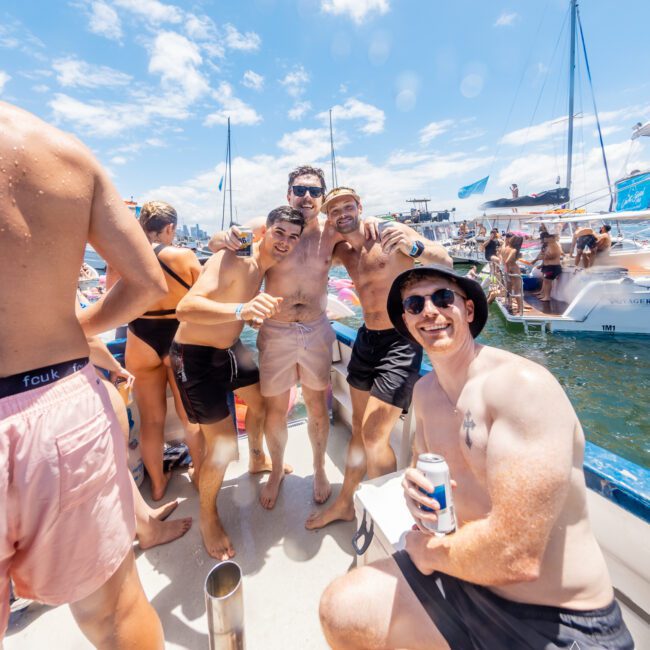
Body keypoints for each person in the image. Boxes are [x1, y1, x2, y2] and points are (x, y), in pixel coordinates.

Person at [319, 264, 633, 650]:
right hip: (465, 578)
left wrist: (424, 550)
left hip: (559, 618)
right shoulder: (424, 392)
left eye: (442, 298)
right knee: (343, 609)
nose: (429, 311)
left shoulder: (520, 387)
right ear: (406, 320)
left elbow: (515, 555)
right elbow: (425, 475)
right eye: (415, 304)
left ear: (467, 310)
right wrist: (414, 495)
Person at [0, 102, 166, 646]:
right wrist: (75, 325)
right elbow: (147, 284)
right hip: (61, 399)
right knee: (115, 613)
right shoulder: (66, 152)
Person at [208, 166, 378, 510]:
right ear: (288, 194)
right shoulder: (270, 225)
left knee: (317, 406)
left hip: (316, 329)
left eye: (315, 192)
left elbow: (360, 230)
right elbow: (215, 241)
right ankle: (275, 471)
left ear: (322, 198)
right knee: (275, 409)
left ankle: (317, 469)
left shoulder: (331, 231)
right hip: (277, 330)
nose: (307, 197)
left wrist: (372, 221)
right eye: (300, 190)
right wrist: (224, 237)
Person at [306, 187, 451, 530]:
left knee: (373, 435)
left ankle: (385, 520)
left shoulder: (388, 232)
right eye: (334, 209)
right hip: (366, 339)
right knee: (357, 429)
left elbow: (443, 258)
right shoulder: (343, 249)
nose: (342, 213)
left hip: (400, 341)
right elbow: (316, 265)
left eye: (348, 206)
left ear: (360, 206)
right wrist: (326, 228)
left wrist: (414, 246)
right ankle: (345, 502)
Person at [170, 206, 305, 560]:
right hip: (194, 357)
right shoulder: (232, 258)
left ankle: (258, 459)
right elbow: (185, 308)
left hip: (230, 349)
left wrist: (250, 315)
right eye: (280, 233)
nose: (286, 242)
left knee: (261, 403)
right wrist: (240, 311)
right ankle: (208, 516)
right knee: (224, 445)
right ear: (264, 232)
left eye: (293, 237)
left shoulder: (264, 266)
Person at [120, 201, 204, 501]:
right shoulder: (184, 255)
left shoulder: (125, 257)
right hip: (178, 336)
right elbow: (204, 300)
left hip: (140, 338)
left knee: (151, 421)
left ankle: (157, 485)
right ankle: (200, 476)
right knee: (189, 418)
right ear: (169, 228)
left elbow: (113, 306)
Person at [532, 231, 563, 301]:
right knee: (546, 281)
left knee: (548, 282)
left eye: (546, 237)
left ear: (552, 238)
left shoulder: (554, 245)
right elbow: (547, 255)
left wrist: (543, 257)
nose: (545, 239)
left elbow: (552, 256)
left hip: (552, 267)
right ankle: (544, 295)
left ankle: (547, 297)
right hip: (548, 266)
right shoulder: (550, 245)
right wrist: (542, 258)